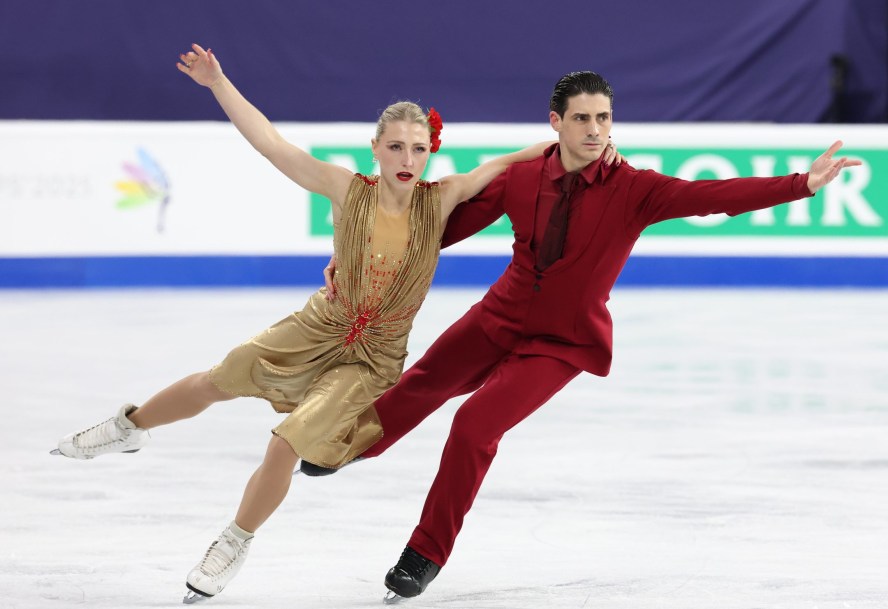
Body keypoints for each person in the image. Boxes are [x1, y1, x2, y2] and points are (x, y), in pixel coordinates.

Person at [302, 71, 862, 601]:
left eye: (604, 118)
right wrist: (356, 259)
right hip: (498, 315)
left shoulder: (635, 190)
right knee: (422, 380)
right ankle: (351, 445)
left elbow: (710, 196)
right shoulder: (522, 177)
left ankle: (424, 553)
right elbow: (436, 232)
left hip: (560, 344)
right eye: (583, 119)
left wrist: (800, 184)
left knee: (474, 424)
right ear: (556, 122)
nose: (595, 130)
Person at [51, 43, 569, 602]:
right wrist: (217, 83)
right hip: (316, 326)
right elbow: (270, 143)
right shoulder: (346, 189)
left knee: (285, 443)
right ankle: (131, 427)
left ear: (429, 152)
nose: (406, 157)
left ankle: (234, 540)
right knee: (219, 378)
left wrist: (581, 140)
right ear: (376, 148)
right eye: (395, 145)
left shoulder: (441, 199)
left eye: (418, 148)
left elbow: (517, 158)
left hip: (372, 360)